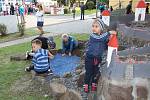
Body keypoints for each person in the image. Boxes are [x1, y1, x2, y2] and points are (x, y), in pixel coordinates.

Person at [83, 19, 115, 93]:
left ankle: (94, 84)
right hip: (89, 58)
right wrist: (109, 33)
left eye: (96, 26)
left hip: (98, 58)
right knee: (88, 72)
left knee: (96, 72)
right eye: (93, 26)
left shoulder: (103, 37)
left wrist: (109, 40)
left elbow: (105, 46)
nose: (94, 28)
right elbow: (99, 38)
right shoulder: (93, 36)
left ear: (101, 28)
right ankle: (86, 85)